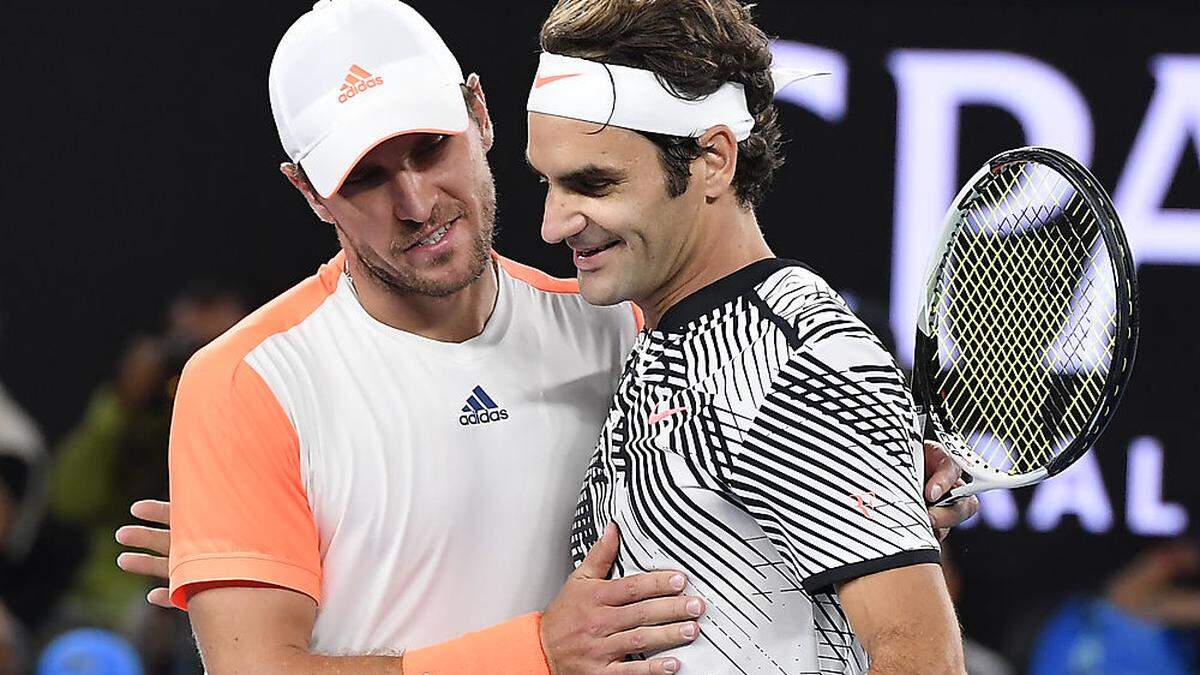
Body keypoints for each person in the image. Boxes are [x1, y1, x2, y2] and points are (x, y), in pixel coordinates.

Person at [114, 0, 977, 672]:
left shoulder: (622, 325)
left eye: (427, 148)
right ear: (308, 191)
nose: (415, 202)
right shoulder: (247, 383)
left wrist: (880, 471)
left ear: (477, 112)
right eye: (365, 177)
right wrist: (260, 553)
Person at [524, 0, 965, 672]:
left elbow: (922, 658)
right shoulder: (666, 336)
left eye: (594, 183)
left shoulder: (801, 362)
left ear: (712, 160)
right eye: (548, 183)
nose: (555, 224)